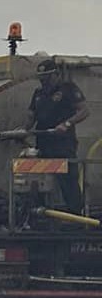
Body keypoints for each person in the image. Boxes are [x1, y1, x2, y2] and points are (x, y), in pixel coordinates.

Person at [28, 59, 90, 213]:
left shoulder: (68, 89)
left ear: (56, 74)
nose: (43, 80)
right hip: (43, 142)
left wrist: (66, 124)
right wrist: (22, 131)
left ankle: (76, 215)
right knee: (38, 179)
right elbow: (31, 117)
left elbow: (84, 111)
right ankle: (40, 212)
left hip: (63, 143)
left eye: (47, 77)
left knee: (68, 179)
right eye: (41, 77)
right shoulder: (38, 93)